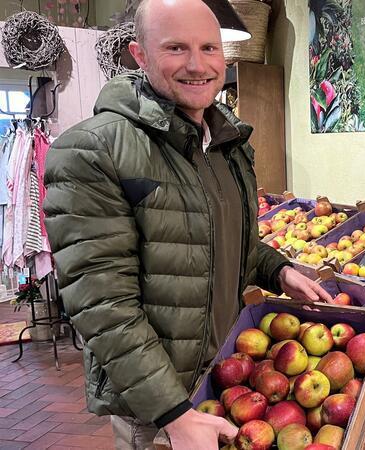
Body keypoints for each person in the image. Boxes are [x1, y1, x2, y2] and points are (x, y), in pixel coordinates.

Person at [42, 0, 332, 448]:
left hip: (225, 380)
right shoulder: (91, 151)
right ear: (140, 55)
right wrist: (173, 412)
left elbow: (227, 241)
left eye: (209, 49)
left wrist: (279, 270)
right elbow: (102, 305)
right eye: (176, 48)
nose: (198, 65)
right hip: (157, 407)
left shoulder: (229, 145)